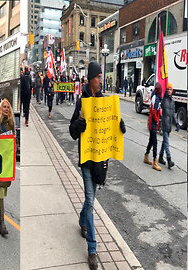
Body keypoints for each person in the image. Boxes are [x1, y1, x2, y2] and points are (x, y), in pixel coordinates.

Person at [69, 62, 126, 270]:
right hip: (87, 159)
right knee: (91, 200)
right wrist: (78, 125)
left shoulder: (106, 102)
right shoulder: (82, 101)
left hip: (100, 160)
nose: (101, 81)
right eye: (98, 77)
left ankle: (82, 220)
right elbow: (72, 131)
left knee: (90, 200)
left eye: (102, 77)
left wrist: (120, 127)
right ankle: (92, 249)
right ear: (91, 78)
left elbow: (112, 128)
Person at [0, 99, 15, 237]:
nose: (6, 109)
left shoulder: (11, 122)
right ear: (0, 109)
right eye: (4, 107)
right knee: (0, 190)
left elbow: (14, 139)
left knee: (2, 190)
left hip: (6, 160)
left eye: (8, 107)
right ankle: (2, 223)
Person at [158, 82, 179, 168]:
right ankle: (169, 159)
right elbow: (158, 103)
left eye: (170, 89)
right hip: (164, 122)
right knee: (166, 141)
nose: (169, 91)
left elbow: (174, 113)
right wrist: (163, 96)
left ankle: (160, 157)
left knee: (164, 142)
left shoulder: (173, 101)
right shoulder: (163, 99)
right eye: (168, 89)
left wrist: (177, 122)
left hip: (169, 123)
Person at [143, 83, 162, 171]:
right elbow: (154, 110)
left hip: (153, 122)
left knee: (151, 141)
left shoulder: (155, 97)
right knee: (154, 142)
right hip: (153, 123)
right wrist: (157, 120)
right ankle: (155, 161)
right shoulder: (156, 97)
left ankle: (146, 156)